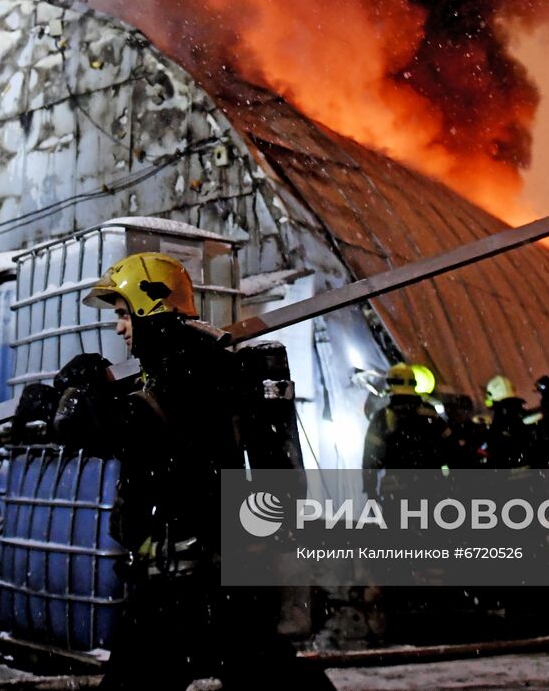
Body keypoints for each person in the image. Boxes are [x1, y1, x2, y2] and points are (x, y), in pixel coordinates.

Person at [80, 251, 336, 691]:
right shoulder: (192, 363)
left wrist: (82, 400)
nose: (119, 327)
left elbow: (136, 433)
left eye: (124, 314)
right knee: (263, 670)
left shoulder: (182, 370)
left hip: (188, 584)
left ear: (150, 307)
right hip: (217, 581)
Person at [362, 362, 455, 502]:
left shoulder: (383, 417)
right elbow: (452, 450)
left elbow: (371, 458)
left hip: (396, 495)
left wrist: (370, 490)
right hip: (432, 491)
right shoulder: (431, 415)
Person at [479, 375, 545, 469]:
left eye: (488, 395)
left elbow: (492, 436)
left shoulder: (502, 413)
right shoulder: (518, 408)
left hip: (517, 466)